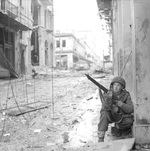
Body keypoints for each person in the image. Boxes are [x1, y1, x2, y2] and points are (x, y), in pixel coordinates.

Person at [97, 77, 134, 142]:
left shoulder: (126, 95)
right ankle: (101, 137)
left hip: (120, 116)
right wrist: (109, 98)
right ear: (112, 85)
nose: (116, 87)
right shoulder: (107, 93)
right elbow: (105, 107)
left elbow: (130, 109)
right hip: (109, 114)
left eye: (118, 85)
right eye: (114, 85)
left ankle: (117, 128)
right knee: (104, 114)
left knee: (129, 120)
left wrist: (121, 104)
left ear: (122, 87)